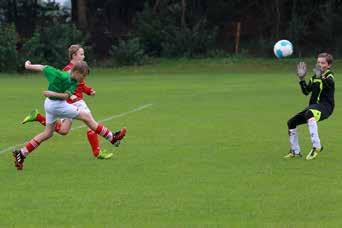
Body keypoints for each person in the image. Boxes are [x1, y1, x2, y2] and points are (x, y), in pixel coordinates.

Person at [13, 60, 127, 170]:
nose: (83, 79)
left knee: (48, 133)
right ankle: (112, 138)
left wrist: (51, 93)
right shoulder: (59, 74)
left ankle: (22, 153)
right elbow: (43, 68)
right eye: (83, 76)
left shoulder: (74, 81)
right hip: (56, 105)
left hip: (52, 103)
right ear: (77, 72)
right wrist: (28, 66)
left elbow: (65, 96)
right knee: (86, 116)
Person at [21, 44, 112, 159]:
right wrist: (28, 66)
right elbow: (45, 69)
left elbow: (80, 86)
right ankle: (107, 143)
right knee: (88, 120)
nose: (83, 56)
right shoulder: (66, 72)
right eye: (81, 54)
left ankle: (35, 124)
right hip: (67, 103)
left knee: (60, 131)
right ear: (74, 55)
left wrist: (88, 91)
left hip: (66, 101)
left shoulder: (80, 70)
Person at [285, 53, 335, 160]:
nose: (320, 64)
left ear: (329, 65)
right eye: (318, 62)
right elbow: (306, 91)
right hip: (313, 106)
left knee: (309, 113)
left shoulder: (329, 76)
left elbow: (329, 85)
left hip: (325, 107)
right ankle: (295, 151)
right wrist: (301, 79)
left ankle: (317, 146)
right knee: (291, 122)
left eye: (323, 63)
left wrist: (320, 76)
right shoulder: (315, 77)